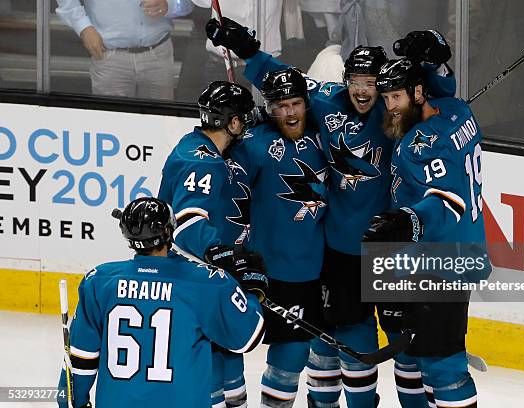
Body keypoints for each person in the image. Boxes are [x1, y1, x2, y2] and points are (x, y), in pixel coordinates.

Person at [206, 17, 456, 407]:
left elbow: (437, 94)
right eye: (355, 80)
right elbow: (285, 83)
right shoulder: (324, 104)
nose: (362, 89)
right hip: (338, 249)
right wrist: (247, 50)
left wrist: (436, 64)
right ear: (345, 81)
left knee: (406, 345)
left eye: (371, 82)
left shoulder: (396, 112)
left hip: (392, 248)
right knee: (352, 334)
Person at [362, 58, 492, 408]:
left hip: (440, 261)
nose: (389, 107)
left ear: (419, 93)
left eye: (397, 98)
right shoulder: (459, 112)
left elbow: (448, 201)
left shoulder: (419, 144)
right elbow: (447, 89)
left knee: (442, 364)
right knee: (411, 355)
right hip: (442, 254)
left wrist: (407, 220)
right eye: (385, 98)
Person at [57, 196, 267, 408]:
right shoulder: (207, 283)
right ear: (169, 232)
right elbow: (248, 338)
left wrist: (72, 402)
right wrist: (250, 289)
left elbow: (80, 357)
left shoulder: (99, 281)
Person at [229, 67, 328, 408]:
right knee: (226, 351)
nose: (289, 113)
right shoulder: (252, 145)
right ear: (268, 108)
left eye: (296, 103)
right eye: (281, 105)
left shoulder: (326, 135)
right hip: (261, 269)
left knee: (291, 358)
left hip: (307, 270)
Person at [157, 80, 256, 408]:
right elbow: (187, 225)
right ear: (231, 122)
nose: (247, 121)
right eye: (243, 116)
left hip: (200, 271)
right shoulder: (205, 163)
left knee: (226, 356)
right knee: (210, 355)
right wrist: (220, 251)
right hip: (193, 274)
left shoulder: (195, 144)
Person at [55, 0, 193, 100]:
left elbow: (188, 3)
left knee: (161, 126)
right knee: (111, 128)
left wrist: (170, 5)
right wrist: (84, 27)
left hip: (158, 53)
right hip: (110, 56)